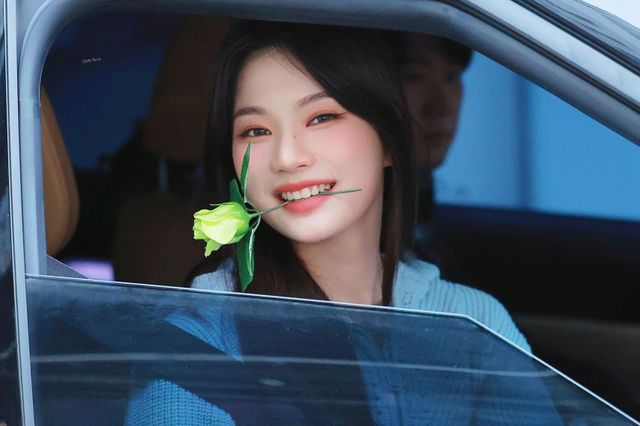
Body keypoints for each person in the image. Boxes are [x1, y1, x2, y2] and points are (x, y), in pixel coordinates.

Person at [126, 21, 546, 425]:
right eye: (255, 130)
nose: (287, 157)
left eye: (321, 117)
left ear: (389, 137)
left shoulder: (473, 325)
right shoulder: (201, 343)